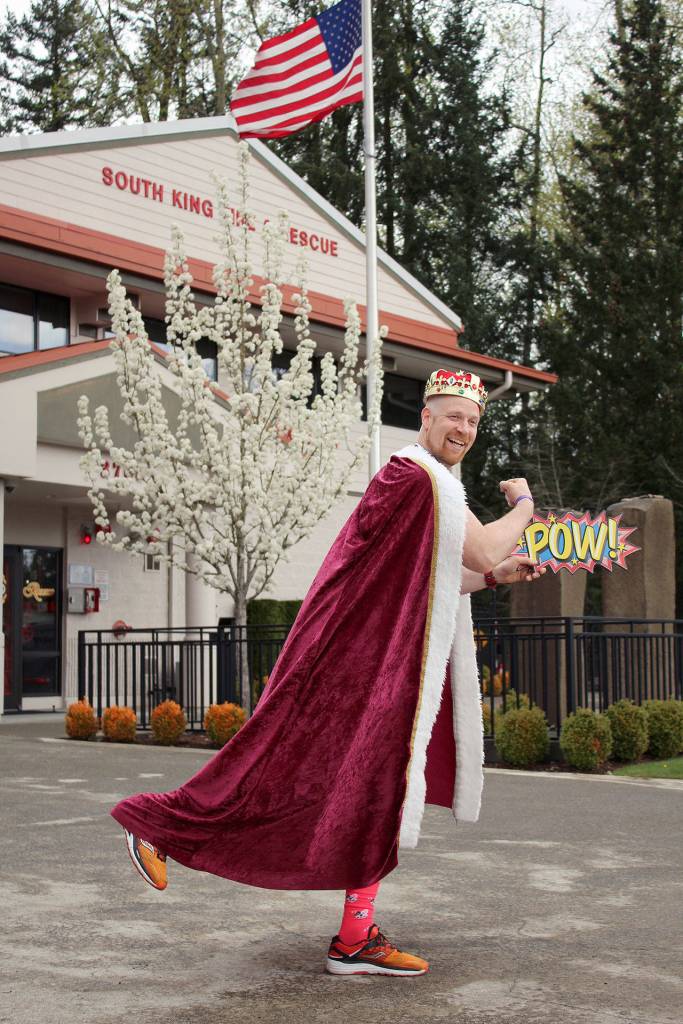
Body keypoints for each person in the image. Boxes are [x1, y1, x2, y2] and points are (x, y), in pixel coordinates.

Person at [112, 367, 544, 977]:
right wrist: (524, 505)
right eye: (454, 416)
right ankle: (155, 824)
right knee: (282, 770)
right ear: (425, 416)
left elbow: (456, 574)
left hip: (377, 667)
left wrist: (498, 577)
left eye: (473, 421)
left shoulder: (429, 483)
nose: (464, 428)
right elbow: (481, 548)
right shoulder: (419, 477)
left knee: (371, 795)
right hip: (354, 667)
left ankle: (355, 937)